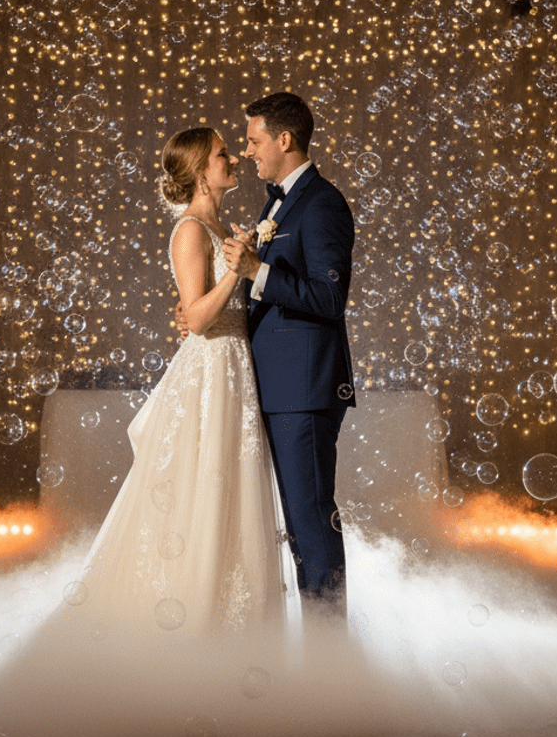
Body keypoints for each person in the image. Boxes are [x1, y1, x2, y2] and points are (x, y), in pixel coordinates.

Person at [65, 126, 287, 638]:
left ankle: (236, 625)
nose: (233, 158)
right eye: (222, 154)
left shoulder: (222, 225)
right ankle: (194, 620)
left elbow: (209, 311)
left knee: (233, 491)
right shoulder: (191, 230)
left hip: (235, 369)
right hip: (210, 374)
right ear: (200, 173)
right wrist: (239, 269)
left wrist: (238, 267)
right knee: (202, 488)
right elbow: (200, 317)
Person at [219, 92, 356, 620]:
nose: (248, 152)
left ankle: (329, 655)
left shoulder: (322, 203)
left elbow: (327, 298)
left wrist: (258, 270)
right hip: (278, 386)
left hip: (304, 388)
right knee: (296, 524)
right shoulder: (277, 201)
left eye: (254, 141)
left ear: (284, 139)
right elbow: (271, 295)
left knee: (310, 518)